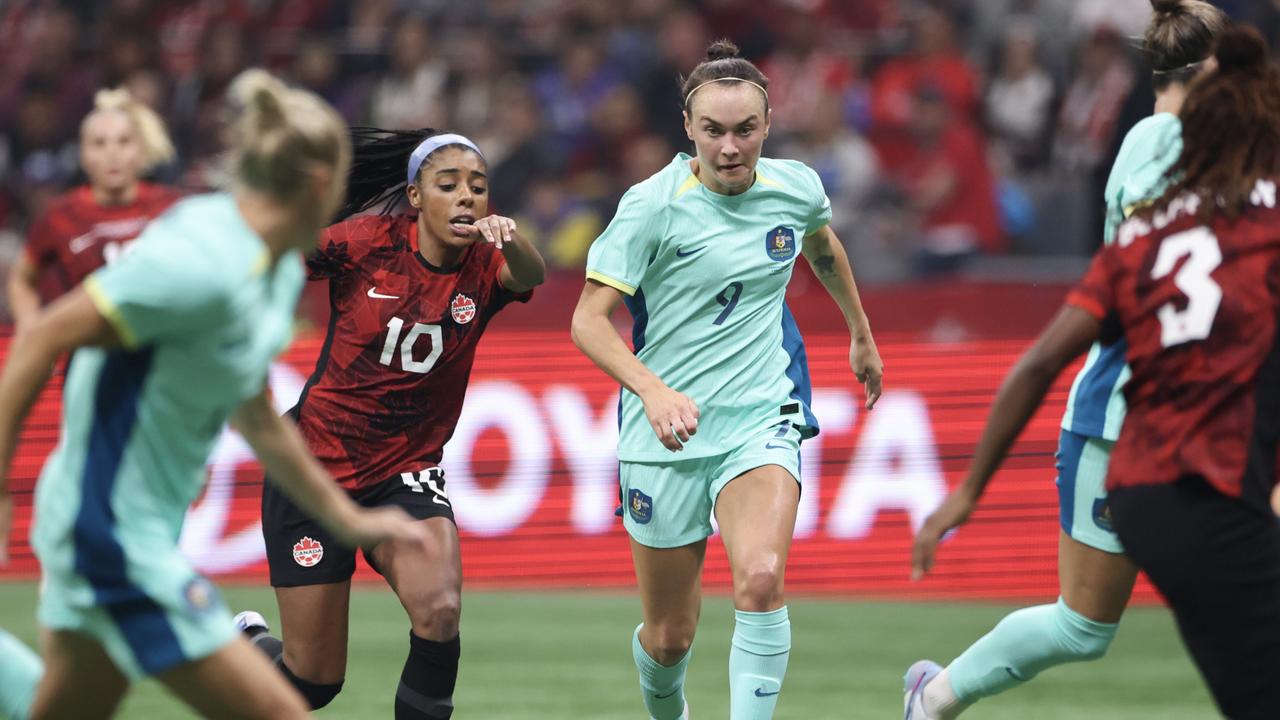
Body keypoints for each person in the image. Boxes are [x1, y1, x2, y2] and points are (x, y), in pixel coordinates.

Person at [0, 69, 432, 720]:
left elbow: (255, 413)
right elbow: (40, 342)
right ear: (320, 184)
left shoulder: (280, 270)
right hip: (110, 536)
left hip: (125, 527)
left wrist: (351, 522)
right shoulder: (197, 259)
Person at [910, 24, 1280, 719]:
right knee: (1084, 627)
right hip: (1127, 417)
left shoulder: (1209, 155)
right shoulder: (1161, 146)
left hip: (1215, 415)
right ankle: (932, 698)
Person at [571, 40, 884, 720]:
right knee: (668, 637)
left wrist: (859, 331)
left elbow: (822, 245)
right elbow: (588, 322)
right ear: (689, 128)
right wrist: (652, 391)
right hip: (666, 438)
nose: (731, 146)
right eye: (714, 130)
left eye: (745, 130)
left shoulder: (796, 188)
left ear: (768, 125)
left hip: (760, 415)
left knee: (762, 580)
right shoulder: (650, 206)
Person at [236, 127, 544, 719]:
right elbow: (269, 258)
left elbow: (528, 277)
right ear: (415, 197)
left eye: (478, 188)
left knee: (441, 610)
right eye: (448, 185)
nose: (466, 198)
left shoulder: (486, 265)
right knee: (312, 687)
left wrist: (515, 240)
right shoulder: (364, 242)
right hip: (312, 470)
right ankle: (245, 645)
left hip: (404, 473)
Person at [7, 87, 181, 331]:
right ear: (83, 155)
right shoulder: (62, 215)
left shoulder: (172, 208)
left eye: (124, 142)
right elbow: (22, 278)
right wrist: (31, 326)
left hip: (157, 346)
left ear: (141, 150)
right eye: (99, 143)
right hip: (88, 348)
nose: (113, 153)